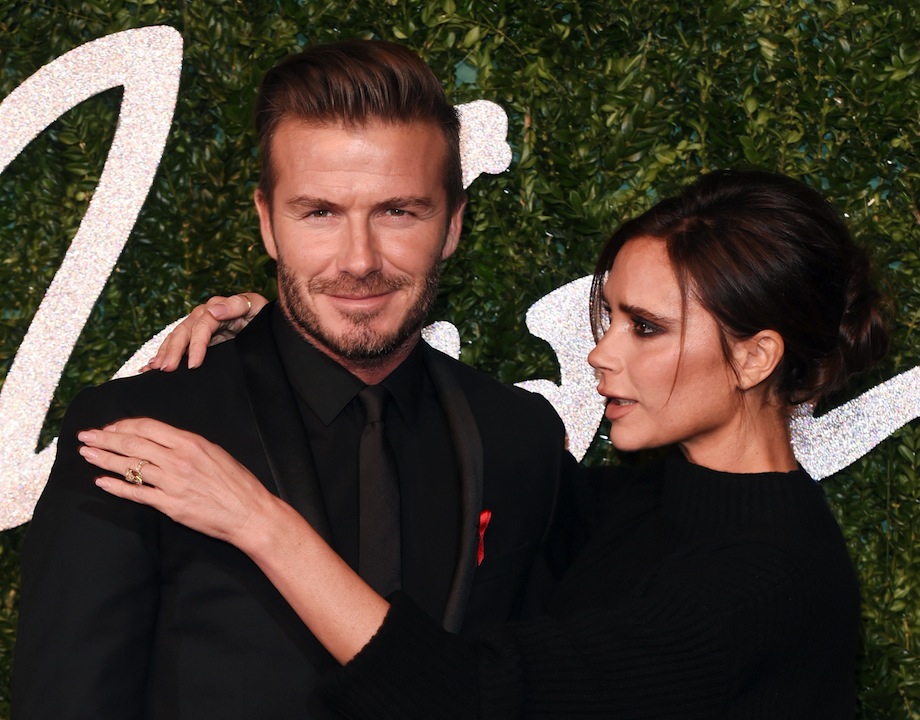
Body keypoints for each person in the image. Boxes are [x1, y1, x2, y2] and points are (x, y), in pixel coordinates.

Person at [77, 169, 886, 718]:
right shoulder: (635, 500)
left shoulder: (768, 579)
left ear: (755, 357)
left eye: (646, 328)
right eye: (610, 316)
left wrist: (258, 520)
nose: (602, 353)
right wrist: (291, 345)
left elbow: (467, 698)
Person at [13, 40, 573, 719]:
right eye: (320, 213)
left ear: (452, 224)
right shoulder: (140, 433)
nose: (359, 261)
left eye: (398, 211)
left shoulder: (518, 436)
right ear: (268, 224)